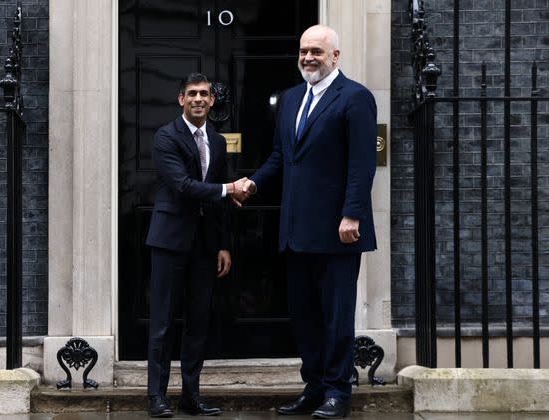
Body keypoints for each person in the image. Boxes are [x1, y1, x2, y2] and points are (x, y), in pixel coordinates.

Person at [237, 25, 377, 418]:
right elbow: (282, 157)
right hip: (295, 229)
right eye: (303, 51)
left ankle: (338, 392)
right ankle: (314, 388)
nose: (308, 58)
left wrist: (352, 214)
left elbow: (362, 164)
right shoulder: (292, 99)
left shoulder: (355, 98)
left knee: (335, 316)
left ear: (335, 56)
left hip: (337, 231)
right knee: (304, 317)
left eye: (316, 51)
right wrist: (253, 182)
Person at [145, 73, 247, 417]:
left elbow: (216, 200)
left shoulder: (216, 142)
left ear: (212, 101)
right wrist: (229, 189)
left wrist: (223, 245)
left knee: (197, 323)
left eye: (204, 94)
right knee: (161, 323)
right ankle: (156, 397)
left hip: (204, 246)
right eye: (192, 94)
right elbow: (183, 186)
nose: (199, 99)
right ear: (181, 100)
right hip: (170, 241)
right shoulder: (165, 137)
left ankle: (191, 396)